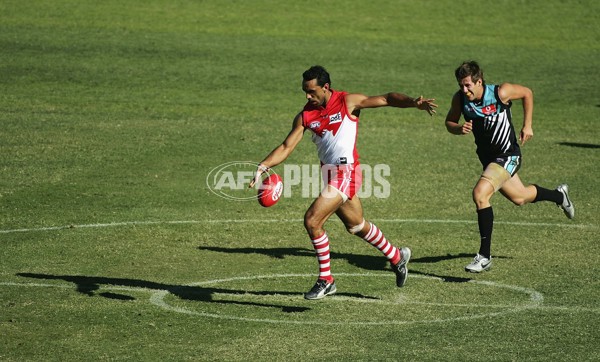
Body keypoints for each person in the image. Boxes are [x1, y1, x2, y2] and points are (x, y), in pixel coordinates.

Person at [249, 65, 437, 300]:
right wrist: (264, 165)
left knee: (312, 220)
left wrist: (412, 102)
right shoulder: (306, 115)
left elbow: (386, 99)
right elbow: (287, 146)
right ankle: (397, 257)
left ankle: (326, 280)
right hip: (329, 174)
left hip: (347, 172)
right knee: (356, 226)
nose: (307, 96)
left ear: (325, 87)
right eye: (305, 92)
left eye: (311, 91)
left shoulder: (348, 102)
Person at [445, 60, 574, 273]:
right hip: (489, 161)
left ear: (479, 82)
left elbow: (527, 93)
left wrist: (528, 125)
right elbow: (449, 122)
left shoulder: (500, 93)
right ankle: (560, 196)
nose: (464, 89)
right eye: (461, 85)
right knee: (520, 197)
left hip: (508, 156)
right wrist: (459, 129)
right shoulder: (460, 99)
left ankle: (484, 256)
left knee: (480, 194)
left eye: (468, 85)